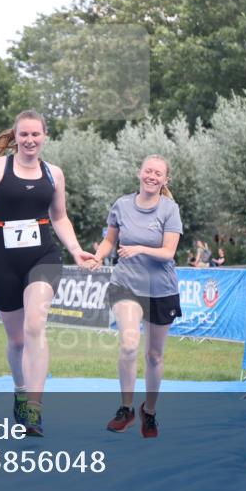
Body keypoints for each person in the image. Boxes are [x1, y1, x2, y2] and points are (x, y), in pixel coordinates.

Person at [0, 110, 94, 436]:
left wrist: (76, 249)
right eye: (23, 134)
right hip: (1, 262)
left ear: (45, 136)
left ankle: (35, 407)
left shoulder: (54, 174)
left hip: (43, 256)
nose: (29, 140)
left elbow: (60, 217)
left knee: (36, 324)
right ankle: (21, 389)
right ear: (15, 136)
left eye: (35, 135)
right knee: (16, 339)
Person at [87, 155, 182, 438]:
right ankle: (126, 408)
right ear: (140, 174)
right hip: (126, 284)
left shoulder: (170, 209)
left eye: (158, 173)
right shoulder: (122, 205)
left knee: (154, 355)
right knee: (129, 343)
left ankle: (149, 412)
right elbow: (109, 240)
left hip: (161, 289)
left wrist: (140, 248)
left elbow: (168, 252)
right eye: (148, 171)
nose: (152, 176)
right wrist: (98, 256)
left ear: (165, 180)